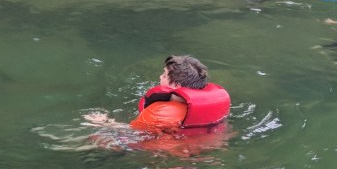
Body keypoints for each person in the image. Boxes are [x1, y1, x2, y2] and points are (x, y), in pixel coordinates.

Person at [84, 55, 231, 136]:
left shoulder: (160, 111)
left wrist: (104, 122)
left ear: (176, 86)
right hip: (201, 147)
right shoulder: (215, 103)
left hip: (165, 156)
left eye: (164, 75)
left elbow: (133, 132)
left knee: (97, 138)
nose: (160, 77)